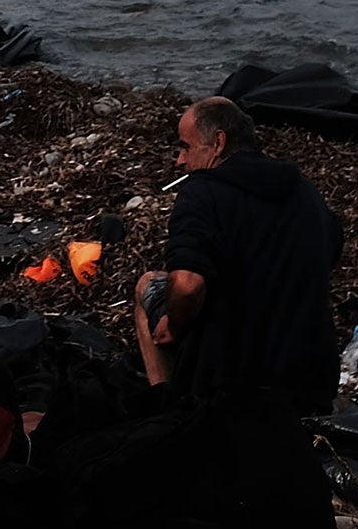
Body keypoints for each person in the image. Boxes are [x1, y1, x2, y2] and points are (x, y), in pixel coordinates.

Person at [133, 96, 343, 414]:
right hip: (312, 377)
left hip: (234, 381)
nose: (179, 160)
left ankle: (168, 411)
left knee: (149, 285)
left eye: (185, 147)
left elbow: (188, 285)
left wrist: (173, 324)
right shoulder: (304, 190)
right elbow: (329, 250)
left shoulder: (201, 191)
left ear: (218, 143)